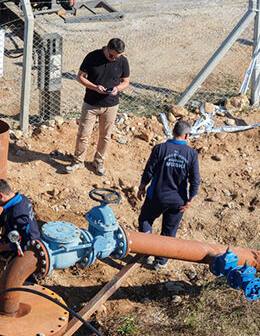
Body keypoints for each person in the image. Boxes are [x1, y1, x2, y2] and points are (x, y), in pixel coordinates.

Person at [136, 120, 200, 269]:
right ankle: (161, 261)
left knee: (145, 220)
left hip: (156, 197)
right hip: (178, 201)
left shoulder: (161, 149)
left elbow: (149, 170)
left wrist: (142, 187)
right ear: (186, 135)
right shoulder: (191, 154)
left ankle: (147, 252)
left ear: (173, 132)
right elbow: (195, 180)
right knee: (169, 230)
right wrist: (190, 199)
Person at [67, 38, 130, 176]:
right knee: (84, 134)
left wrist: (117, 89)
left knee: (105, 135)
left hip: (111, 105)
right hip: (91, 104)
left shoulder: (122, 61)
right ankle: (78, 161)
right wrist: (95, 87)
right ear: (107, 48)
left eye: (117, 57)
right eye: (111, 55)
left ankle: (98, 161)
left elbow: (126, 81)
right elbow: (80, 77)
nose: (114, 59)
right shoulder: (92, 57)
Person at [0, 179, 40, 257]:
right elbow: (3, 217)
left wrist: (1, 248)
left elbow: (25, 241)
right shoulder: (21, 199)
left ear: (1, 195)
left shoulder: (18, 215)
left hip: (27, 252)